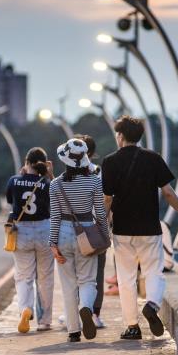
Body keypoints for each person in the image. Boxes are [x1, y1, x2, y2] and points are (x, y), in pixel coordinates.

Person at [102, 116, 178, 340]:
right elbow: (169, 193)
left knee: (126, 279)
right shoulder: (153, 159)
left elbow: (107, 199)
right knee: (154, 272)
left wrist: (103, 223)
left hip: (122, 230)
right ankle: (152, 305)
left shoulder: (110, 161)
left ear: (121, 136)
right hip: (150, 228)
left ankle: (132, 327)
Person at [49, 138, 108, 342]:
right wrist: (104, 237)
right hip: (87, 233)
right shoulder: (94, 181)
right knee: (88, 280)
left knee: (68, 284)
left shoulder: (55, 184)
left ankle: (73, 331)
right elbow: (100, 213)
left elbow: (54, 216)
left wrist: (53, 244)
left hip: (63, 233)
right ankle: (86, 307)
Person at [5, 147, 55, 334]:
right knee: (45, 278)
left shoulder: (14, 181)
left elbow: (11, 200)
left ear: (26, 163)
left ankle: (25, 308)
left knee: (24, 276)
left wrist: (21, 176)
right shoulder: (47, 183)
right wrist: (49, 175)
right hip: (44, 229)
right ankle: (44, 321)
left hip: (22, 231)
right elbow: (55, 200)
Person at [74, 133, 106, 328]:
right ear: (93, 153)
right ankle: (95, 314)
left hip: (73, 228)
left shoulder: (67, 174)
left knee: (74, 273)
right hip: (95, 228)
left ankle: (75, 312)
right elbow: (106, 200)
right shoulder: (99, 172)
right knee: (97, 274)